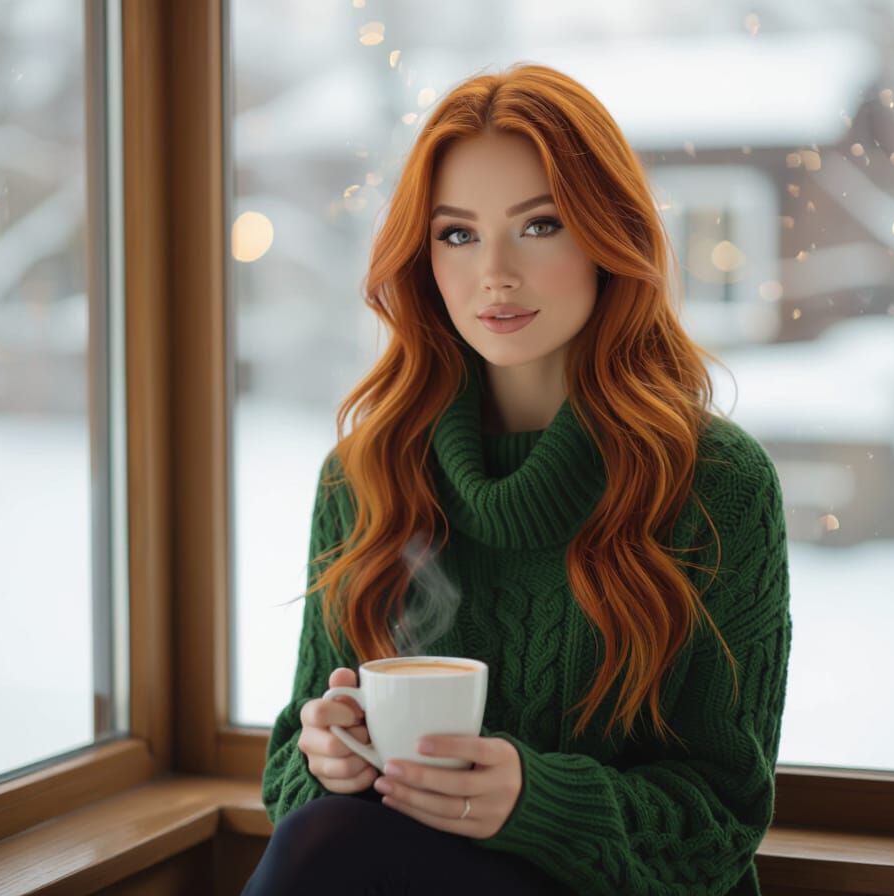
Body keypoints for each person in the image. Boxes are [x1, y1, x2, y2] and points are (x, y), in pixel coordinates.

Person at [242, 62, 792, 896]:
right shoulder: (366, 477)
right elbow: (289, 778)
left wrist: (536, 801)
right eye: (456, 234)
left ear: (611, 237)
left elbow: (722, 824)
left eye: (540, 226)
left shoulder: (715, 484)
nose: (493, 272)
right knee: (324, 836)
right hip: (382, 870)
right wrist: (325, 758)